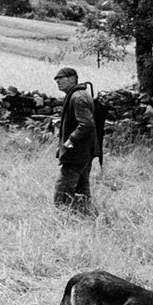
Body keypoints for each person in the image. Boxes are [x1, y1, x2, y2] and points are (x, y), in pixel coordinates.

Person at [53, 66, 99, 213]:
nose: (57, 81)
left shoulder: (77, 97)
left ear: (72, 78)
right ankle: (85, 216)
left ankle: (62, 219)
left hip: (76, 153)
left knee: (63, 190)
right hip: (85, 151)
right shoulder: (81, 94)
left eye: (61, 78)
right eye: (56, 80)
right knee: (82, 188)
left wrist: (70, 140)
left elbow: (86, 124)